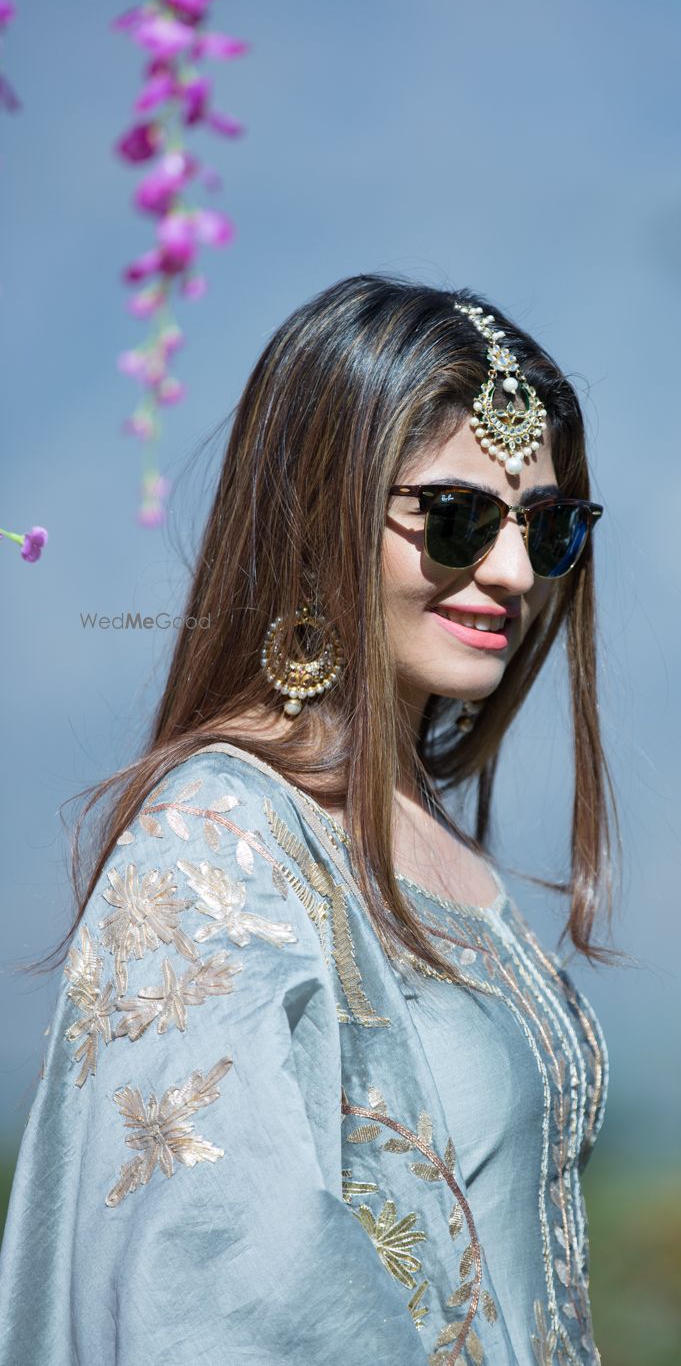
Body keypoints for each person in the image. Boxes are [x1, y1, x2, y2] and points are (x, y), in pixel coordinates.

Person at [0, 275, 621, 1365]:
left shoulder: (429, 840)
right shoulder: (216, 843)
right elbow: (224, 1299)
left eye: (550, 526)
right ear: (316, 511)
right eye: (458, 518)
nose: (514, 572)